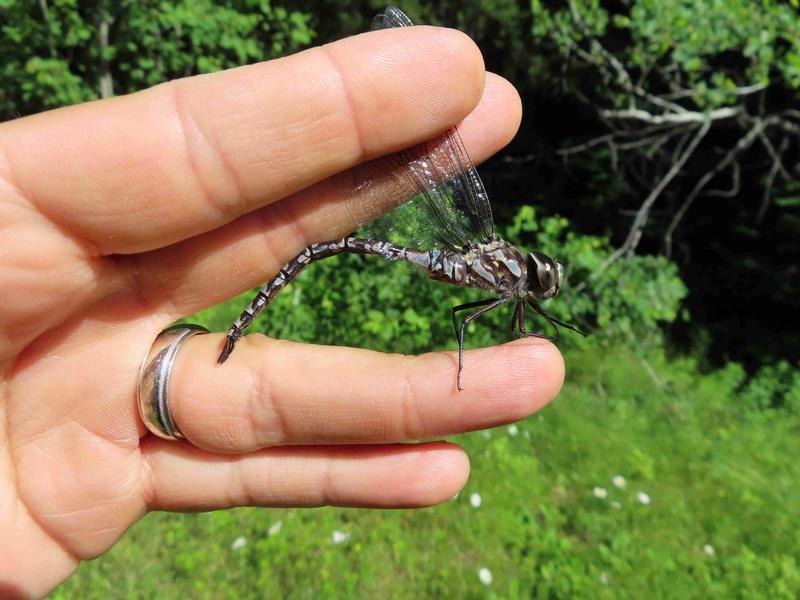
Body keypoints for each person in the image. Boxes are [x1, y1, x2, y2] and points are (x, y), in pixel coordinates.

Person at [0, 24, 564, 597]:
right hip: (351, 243)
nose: (534, 290)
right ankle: (242, 324)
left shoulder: (507, 281)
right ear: (529, 274)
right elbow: (467, 318)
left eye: (539, 287)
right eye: (539, 284)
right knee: (440, 305)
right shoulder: (503, 269)